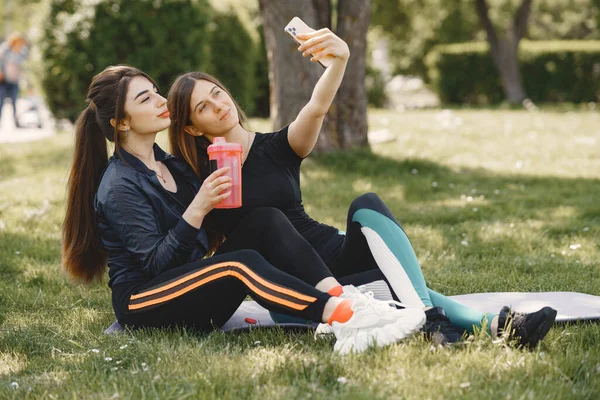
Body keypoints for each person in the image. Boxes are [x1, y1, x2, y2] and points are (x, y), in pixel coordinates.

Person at [167, 29, 557, 348]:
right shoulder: (195, 179)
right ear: (192, 129)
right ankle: (474, 323)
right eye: (202, 107)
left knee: (368, 207)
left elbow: (316, 108)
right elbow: (187, 248)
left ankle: (473, 323)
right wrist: (202, 201)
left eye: (216, 92)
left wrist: (340, 61)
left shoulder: (279, 148)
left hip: (333, 253)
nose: (217, 105)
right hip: (296, 286)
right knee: (385, 284)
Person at [60, 65, 427, 355]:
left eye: (156, 91)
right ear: (121, 123)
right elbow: (157, 267)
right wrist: (197, 210)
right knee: (238, 263)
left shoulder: (171, 166)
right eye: (145, 99)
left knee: (263, 219)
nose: (161, 101)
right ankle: (345, 317)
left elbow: (204, 243)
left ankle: (342, 299)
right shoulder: (120, 184)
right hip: (144, 301)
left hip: (189, 287)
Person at [0, 33, 29, 128]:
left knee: (15, 102)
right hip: (3, 80)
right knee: (1, 101)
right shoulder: (5, 49)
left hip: (14, 80)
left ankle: (16, 123)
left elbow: (26, 58)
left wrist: (21, 48)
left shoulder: (21, 51)